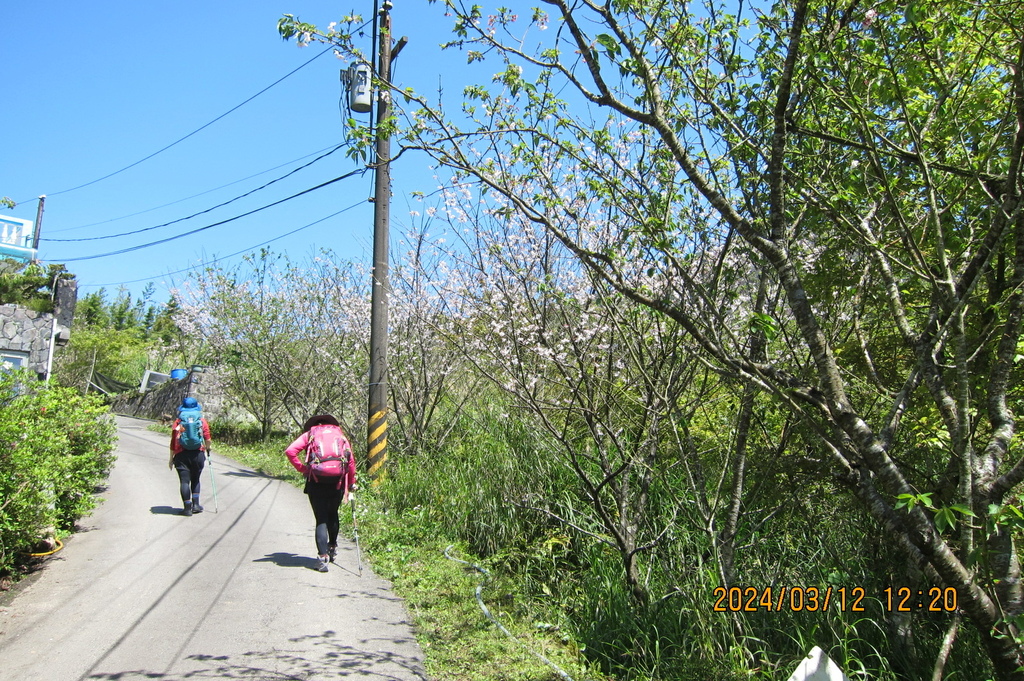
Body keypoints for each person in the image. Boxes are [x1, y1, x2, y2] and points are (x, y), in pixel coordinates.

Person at [284, 414, 356, 573]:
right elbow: (350, 461)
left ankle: (322, 559)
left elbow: (290, 451)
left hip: (316, 481)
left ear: (314, 425)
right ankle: (332, 547)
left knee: (321, 518)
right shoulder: (340, 435)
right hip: (337, 482)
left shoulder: (310, 435)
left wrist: (303, 469)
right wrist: (351, 482)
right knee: (333, 513)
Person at [168, 396, 212, 517]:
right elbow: (207, 438)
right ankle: (196, 505)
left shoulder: (178, 422)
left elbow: (173, 441)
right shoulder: (201, 421)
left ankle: (187, 508)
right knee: (196, 479)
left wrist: (171, 459)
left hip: (181, 455)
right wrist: (208, 449)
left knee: (184, 481)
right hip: (198, 454)